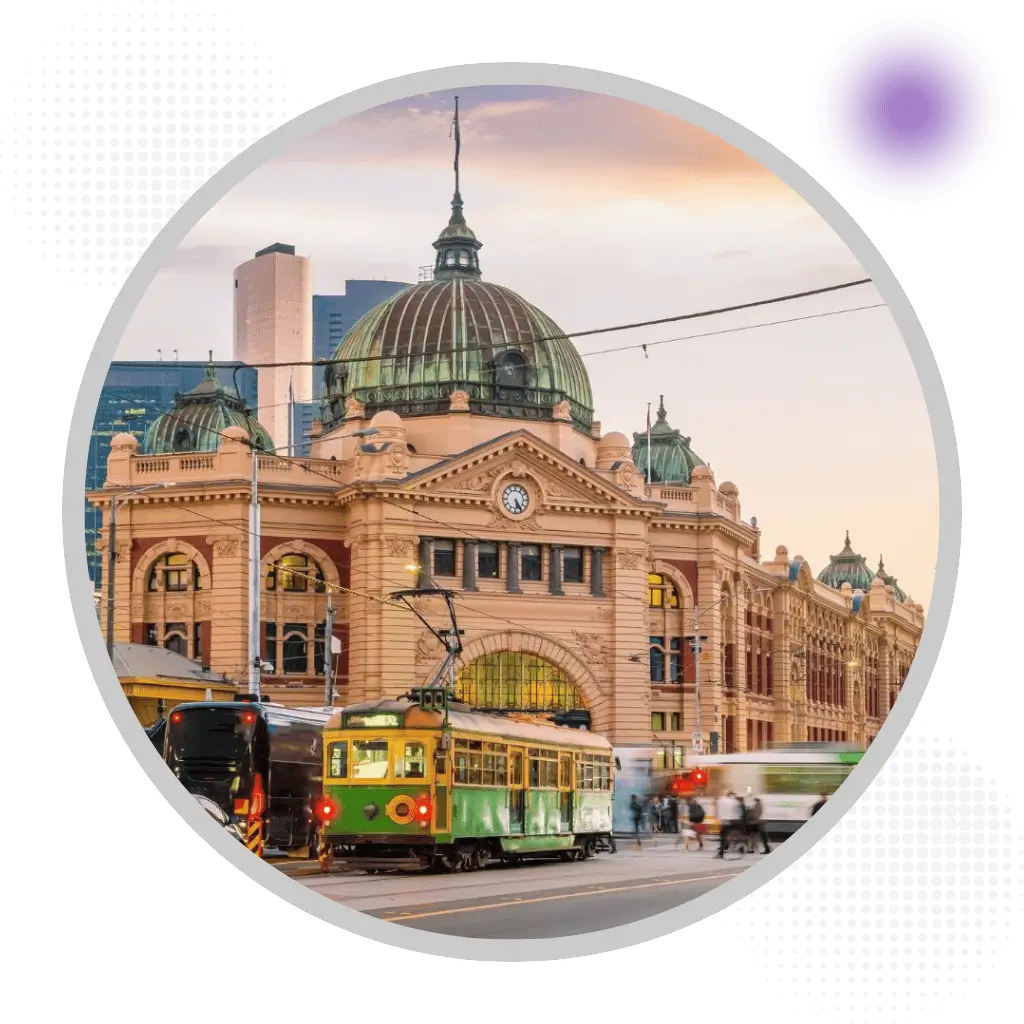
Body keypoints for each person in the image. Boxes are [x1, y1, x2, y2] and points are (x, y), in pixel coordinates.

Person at [716, 790, 742, 858]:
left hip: (727, 821)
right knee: (731, 835)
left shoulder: (722, 800)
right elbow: (739, 812)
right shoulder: (736, 801)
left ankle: (721, 852)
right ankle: (725, 849)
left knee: (723, 836)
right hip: (735, 821)